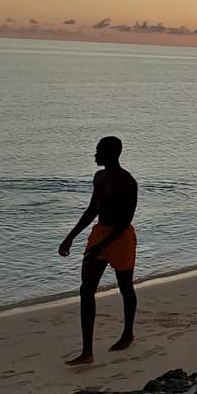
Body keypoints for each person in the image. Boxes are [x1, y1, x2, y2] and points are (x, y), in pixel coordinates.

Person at [58, 136, 138, 365]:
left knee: (125, 286)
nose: (95, 155)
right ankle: (87, 352)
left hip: (120, 238)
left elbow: (125, 221)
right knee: (86, 290)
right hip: (100, 233)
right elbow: (93, 209)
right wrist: (70, 237)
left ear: (112, 154)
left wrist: (100, 247)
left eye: (99, 151)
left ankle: (128, 333)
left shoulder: (127, 182)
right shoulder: (99, 177)